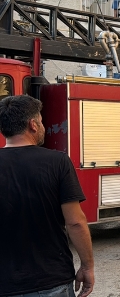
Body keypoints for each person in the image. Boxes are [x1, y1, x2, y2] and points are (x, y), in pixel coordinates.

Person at [0, 95, 94, 297]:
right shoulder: (57, 162)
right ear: (32, 125)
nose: (43, 125)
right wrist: (87, 267)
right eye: (41, 121)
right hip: (51, 280)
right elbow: (76, 222)